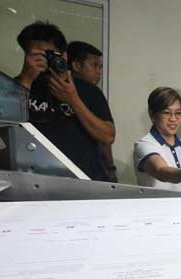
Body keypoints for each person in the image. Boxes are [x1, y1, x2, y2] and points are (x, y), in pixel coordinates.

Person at [15, 21, 115, 182]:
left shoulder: (88, 91)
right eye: (37, 55)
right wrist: (26, 80)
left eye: (49, 55)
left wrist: (73, 100)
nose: (45, 61)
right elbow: (6, 127)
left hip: (86, 179)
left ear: (64, 56)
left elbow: (107, 136)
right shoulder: (15, 88)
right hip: (35, 181)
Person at [134, 86, 181, 192]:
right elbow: (162, 172)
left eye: (178, 113)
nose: (173, 119)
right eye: (167, 113)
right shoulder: (144, 145)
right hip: (154, 207)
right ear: (152, 114)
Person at [67, 40, 118, 183]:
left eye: (100, 67)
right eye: (95, 66)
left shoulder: (93, 92)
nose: (99, 72)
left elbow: (104, 137)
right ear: (76, 65)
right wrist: (111, 170)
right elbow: (108, 136)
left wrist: (110, 168)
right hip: (88, 173)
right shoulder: (92, 92)